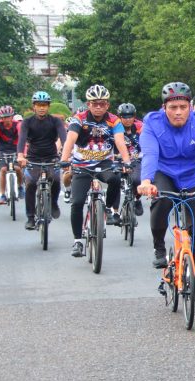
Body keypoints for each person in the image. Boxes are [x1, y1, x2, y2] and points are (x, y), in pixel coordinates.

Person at [136, 82, 195, 269]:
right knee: (162, 200)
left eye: (183, 107)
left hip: (192, 175)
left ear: (190, 106)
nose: (178, 112)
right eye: (173, 107)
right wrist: (146, 181)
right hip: (163, 172)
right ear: (164, 107)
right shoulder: (153, 122)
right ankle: (159, 247)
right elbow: (150, 153)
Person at [60, 84, 131, 257]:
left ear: (107, 105)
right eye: (94, 103)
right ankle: (77, 241)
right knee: (77, 202)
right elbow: (71, 139)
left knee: (115, 179)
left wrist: (127, 161)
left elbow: (120, 141)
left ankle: (107, 209)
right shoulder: (80, 119)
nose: (98, 106)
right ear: (89, 104)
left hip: (105, 163)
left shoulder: (114, 120)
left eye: (102, 103)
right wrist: (64, 159)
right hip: (82, 165)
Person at [17, 91, 67, 230]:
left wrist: (67, 155)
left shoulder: (55, 121)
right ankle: (31, 217)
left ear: (48, 106)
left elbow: (64, 137)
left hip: (51, 157)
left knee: (56, 180)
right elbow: (22, 139)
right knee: (31, 184)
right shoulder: (27, 122)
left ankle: (53, 204)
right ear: (34, 106)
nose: (42, 108)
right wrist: (21, 155)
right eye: (39, 105)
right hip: (33, 158)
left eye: (44, 105)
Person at [0, 105, 23, 205]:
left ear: (12, 116)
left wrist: (23, 153)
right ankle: (3, 194)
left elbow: (22, 139)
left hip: (16, 148)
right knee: (4, 170)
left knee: (17, 169)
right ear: (1, 118)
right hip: (2, 149)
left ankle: (20, 186)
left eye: (8, 117)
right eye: (4, 117)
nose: (6, 119)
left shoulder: (17, 124)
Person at [117, 102, 144, 216]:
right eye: (124, 117)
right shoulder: (115, 126)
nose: (128, 120)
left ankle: (137, 199)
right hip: (118, 159)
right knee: (114, 181)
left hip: (135, 158)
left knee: (138, 180)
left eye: (131, 116)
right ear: (119, 117)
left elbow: (147, 142)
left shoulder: (140, 127)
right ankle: (114, 211)